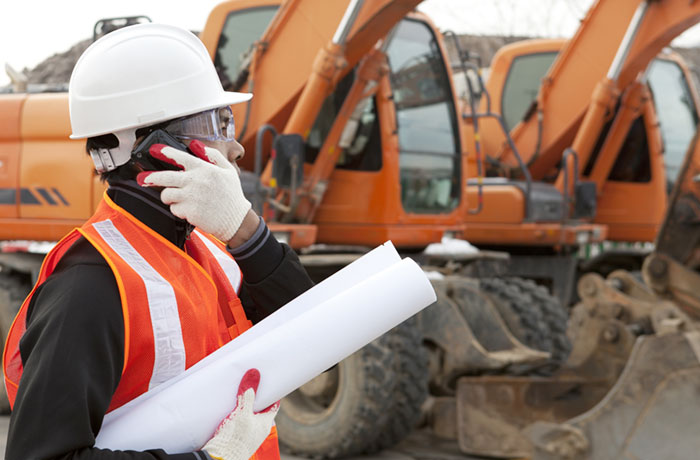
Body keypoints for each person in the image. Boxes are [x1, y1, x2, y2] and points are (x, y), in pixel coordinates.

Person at [2, 23, 313, 460]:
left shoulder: (212, 250)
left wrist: (246, 229)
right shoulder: (92, 284)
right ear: (159, 150)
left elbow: (312, 343)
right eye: (217, 124)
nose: (237, 148)